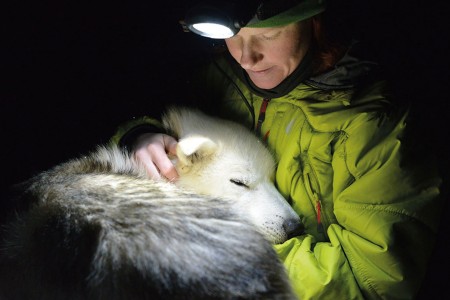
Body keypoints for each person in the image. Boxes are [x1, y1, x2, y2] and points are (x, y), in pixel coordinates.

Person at [110, 0, 443, 298]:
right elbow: (165, 122)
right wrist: (139, 135)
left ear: (316, 23)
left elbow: (370, 282)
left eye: (268, 35)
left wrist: (217, 256)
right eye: (234, 33)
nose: (246, 56)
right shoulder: (222, 81)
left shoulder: (376, 130)